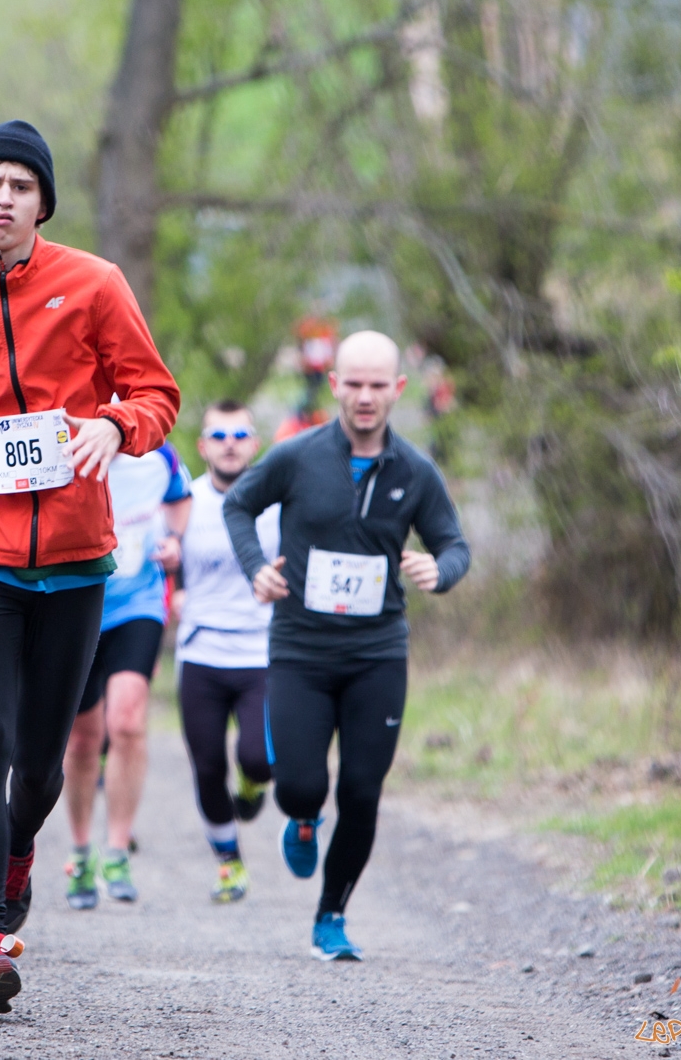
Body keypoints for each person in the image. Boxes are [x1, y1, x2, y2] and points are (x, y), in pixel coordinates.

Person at [0, 120, 179, 1012]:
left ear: (42, 202)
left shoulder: (94, 285)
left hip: (77, 560)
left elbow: (158, 394)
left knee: (44, 766)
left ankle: (20, 849)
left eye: (21, 185)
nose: (4, 198)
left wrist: (113, 426)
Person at [223, 330, 470, 961]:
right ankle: (302, 818)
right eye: (353, 383)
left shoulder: (414, 471)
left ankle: (331, 916)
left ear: (397, 390)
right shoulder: (297, 456)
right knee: (301, 785)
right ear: (334, 385)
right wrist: (256, 568)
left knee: (362, 790)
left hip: (376, 654)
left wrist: (439, 571)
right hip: (301, 651)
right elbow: (239, 507)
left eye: (376, 385)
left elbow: (454, 544)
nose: (364, 396)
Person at [59, 444, 190, 909]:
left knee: (128, 720)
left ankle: (116, 849)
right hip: (72, 607)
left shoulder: (156, 451)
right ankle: (79, 851)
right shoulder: (59, 440)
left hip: (138, 603)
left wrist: (175, 539)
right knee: (81, 739)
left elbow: (180, 494)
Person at [173, 400, 280, 903]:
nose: (230, 443)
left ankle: (255, 786)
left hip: (261, 652)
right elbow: (160, 558)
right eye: (219, 436)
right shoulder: (186, 502)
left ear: (254, 444)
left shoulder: (276, 505)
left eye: (240, 435)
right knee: (208, 765)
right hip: (201, 652)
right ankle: (229, 862)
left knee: (258, 757)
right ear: (203, 446)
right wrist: (169, 581)